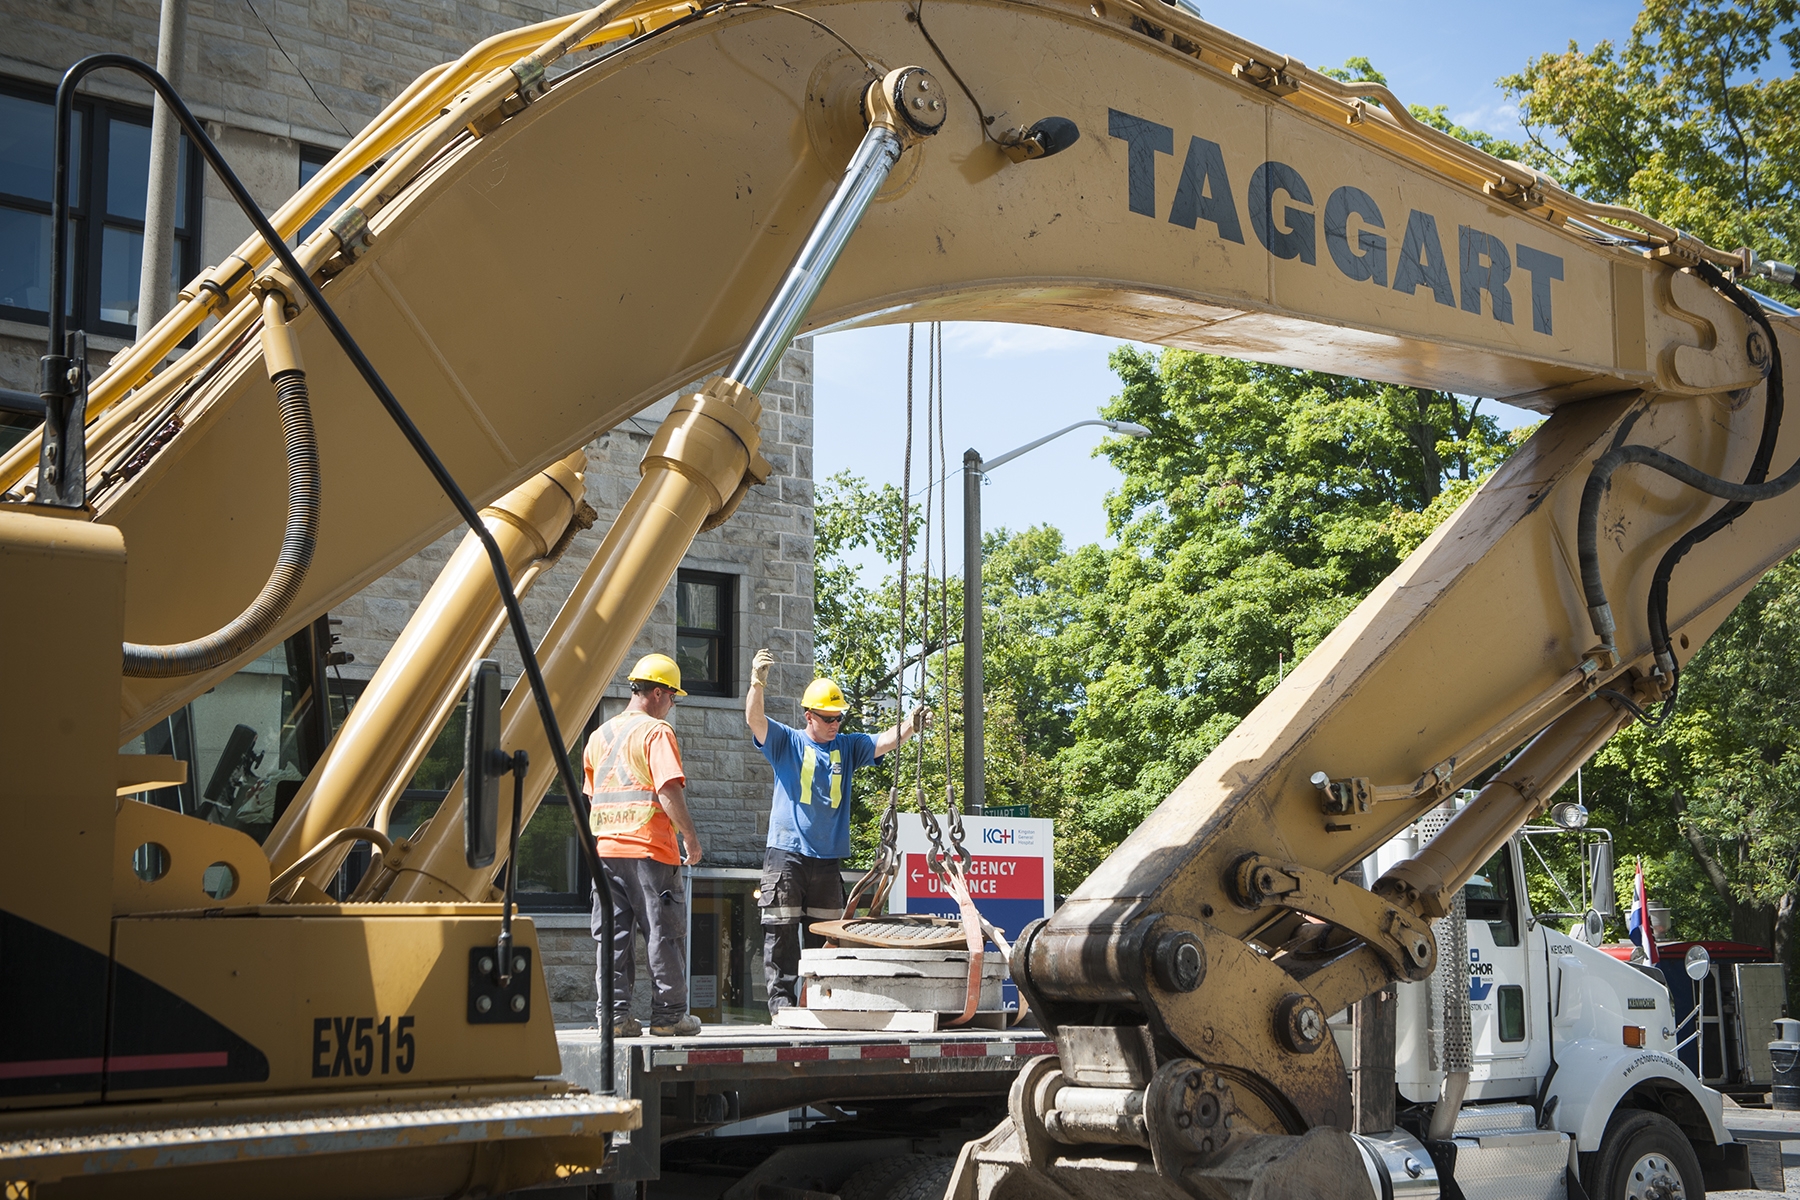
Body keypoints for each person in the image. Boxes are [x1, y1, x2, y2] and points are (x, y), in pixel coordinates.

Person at [745, 648, 926, 1013]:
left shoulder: (847, 746)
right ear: (809, 716)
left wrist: (911, 724)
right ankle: (782, 1007)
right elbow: (755, 720)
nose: (835, 724)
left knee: (826, 938)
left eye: (839, 717)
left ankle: (820, 1005)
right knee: (781, 934)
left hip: (827, 861)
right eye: (828, 718)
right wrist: (756, 683)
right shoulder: (788, 742)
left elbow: (884, 740)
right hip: (787, 855)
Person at [587, 653, 705, 1038]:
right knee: (663, 932)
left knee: (613, 936)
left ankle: (613, 1017)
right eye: (672, 697)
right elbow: (668, 789)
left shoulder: (599, 736)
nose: (671, 705)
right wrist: (690, 837)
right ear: (657, 693)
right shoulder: (656, 732)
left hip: (607, 852)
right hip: (650, 851)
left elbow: (592, 796)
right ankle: (669, 1017)